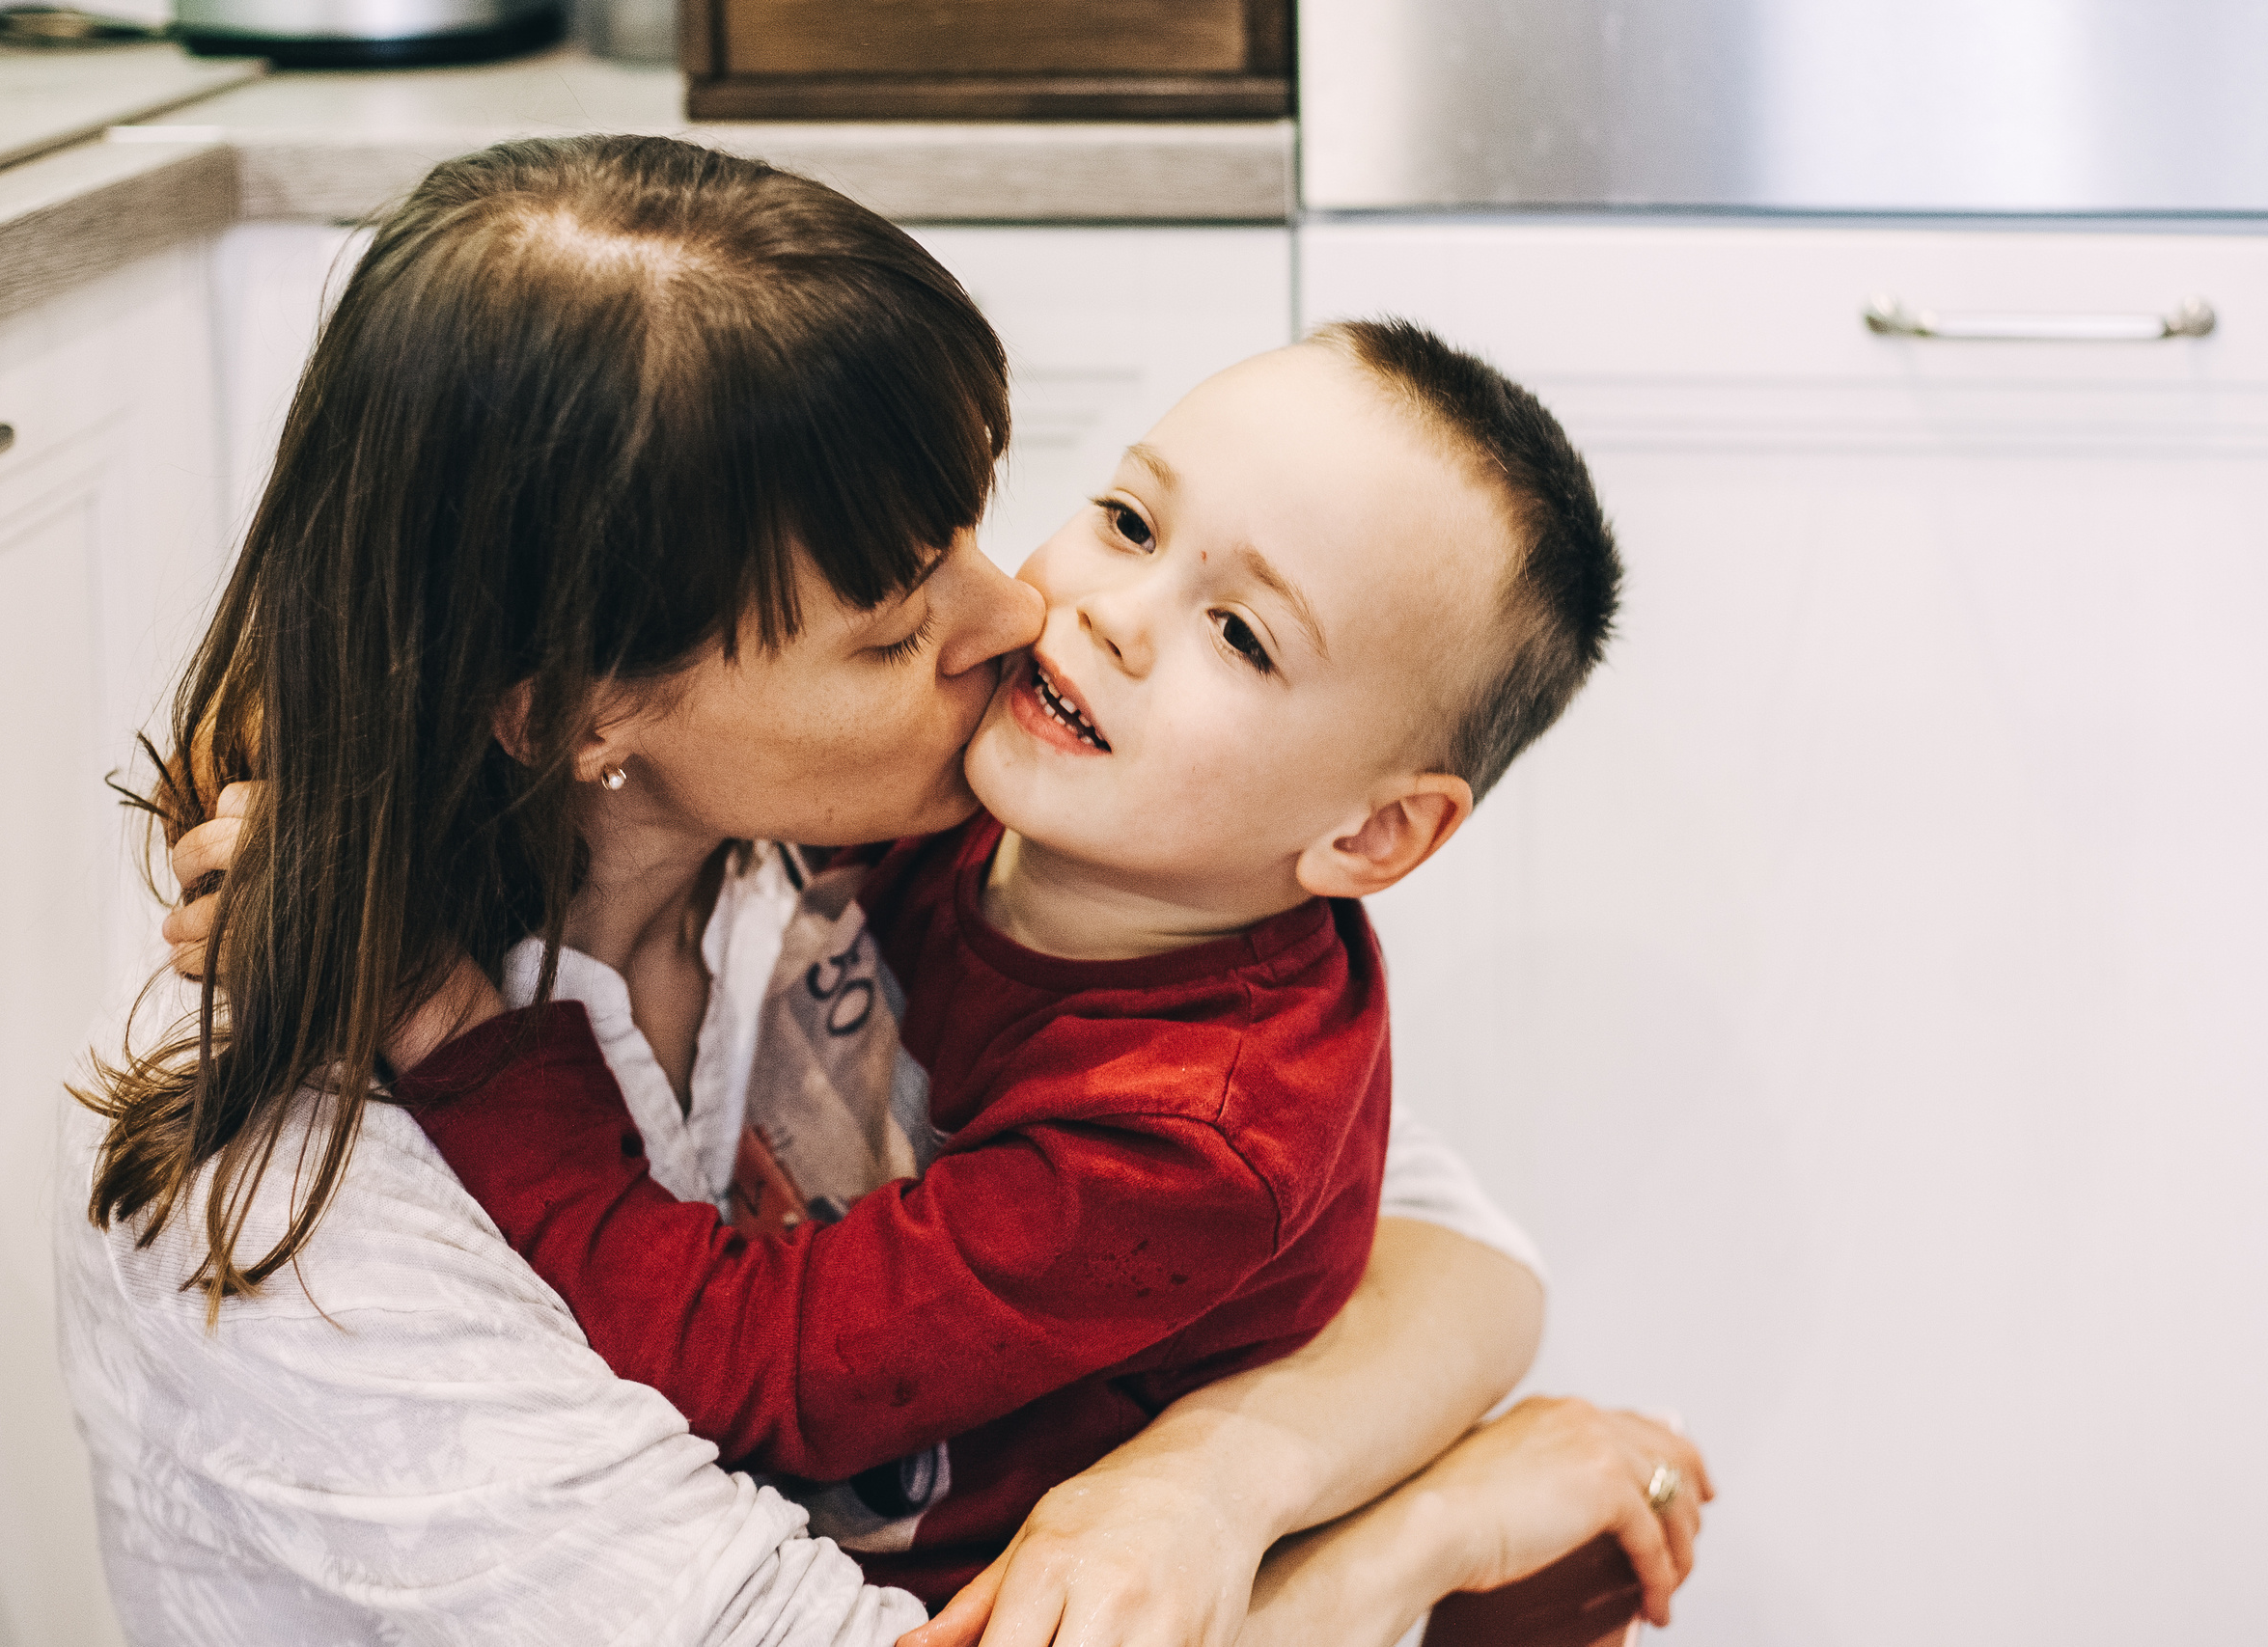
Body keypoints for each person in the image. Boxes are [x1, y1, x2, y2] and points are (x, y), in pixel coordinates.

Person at [68, 131, 1705, 1647]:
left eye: (972, 530)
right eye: (897, 619)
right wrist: (1422, 1536)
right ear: (583, 712)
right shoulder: (293, 1201)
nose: (1028, 619)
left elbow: (1444, 1240)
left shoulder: (894, 854)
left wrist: (1212, 1480)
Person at [383, 317, 1638, 1612]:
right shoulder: (1037, 791)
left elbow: (758, 1361)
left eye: (1245, 639)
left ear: (1370, 832)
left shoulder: (1194, 1126)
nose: (1112, 616)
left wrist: (472, 1049)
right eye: (1132, 523)